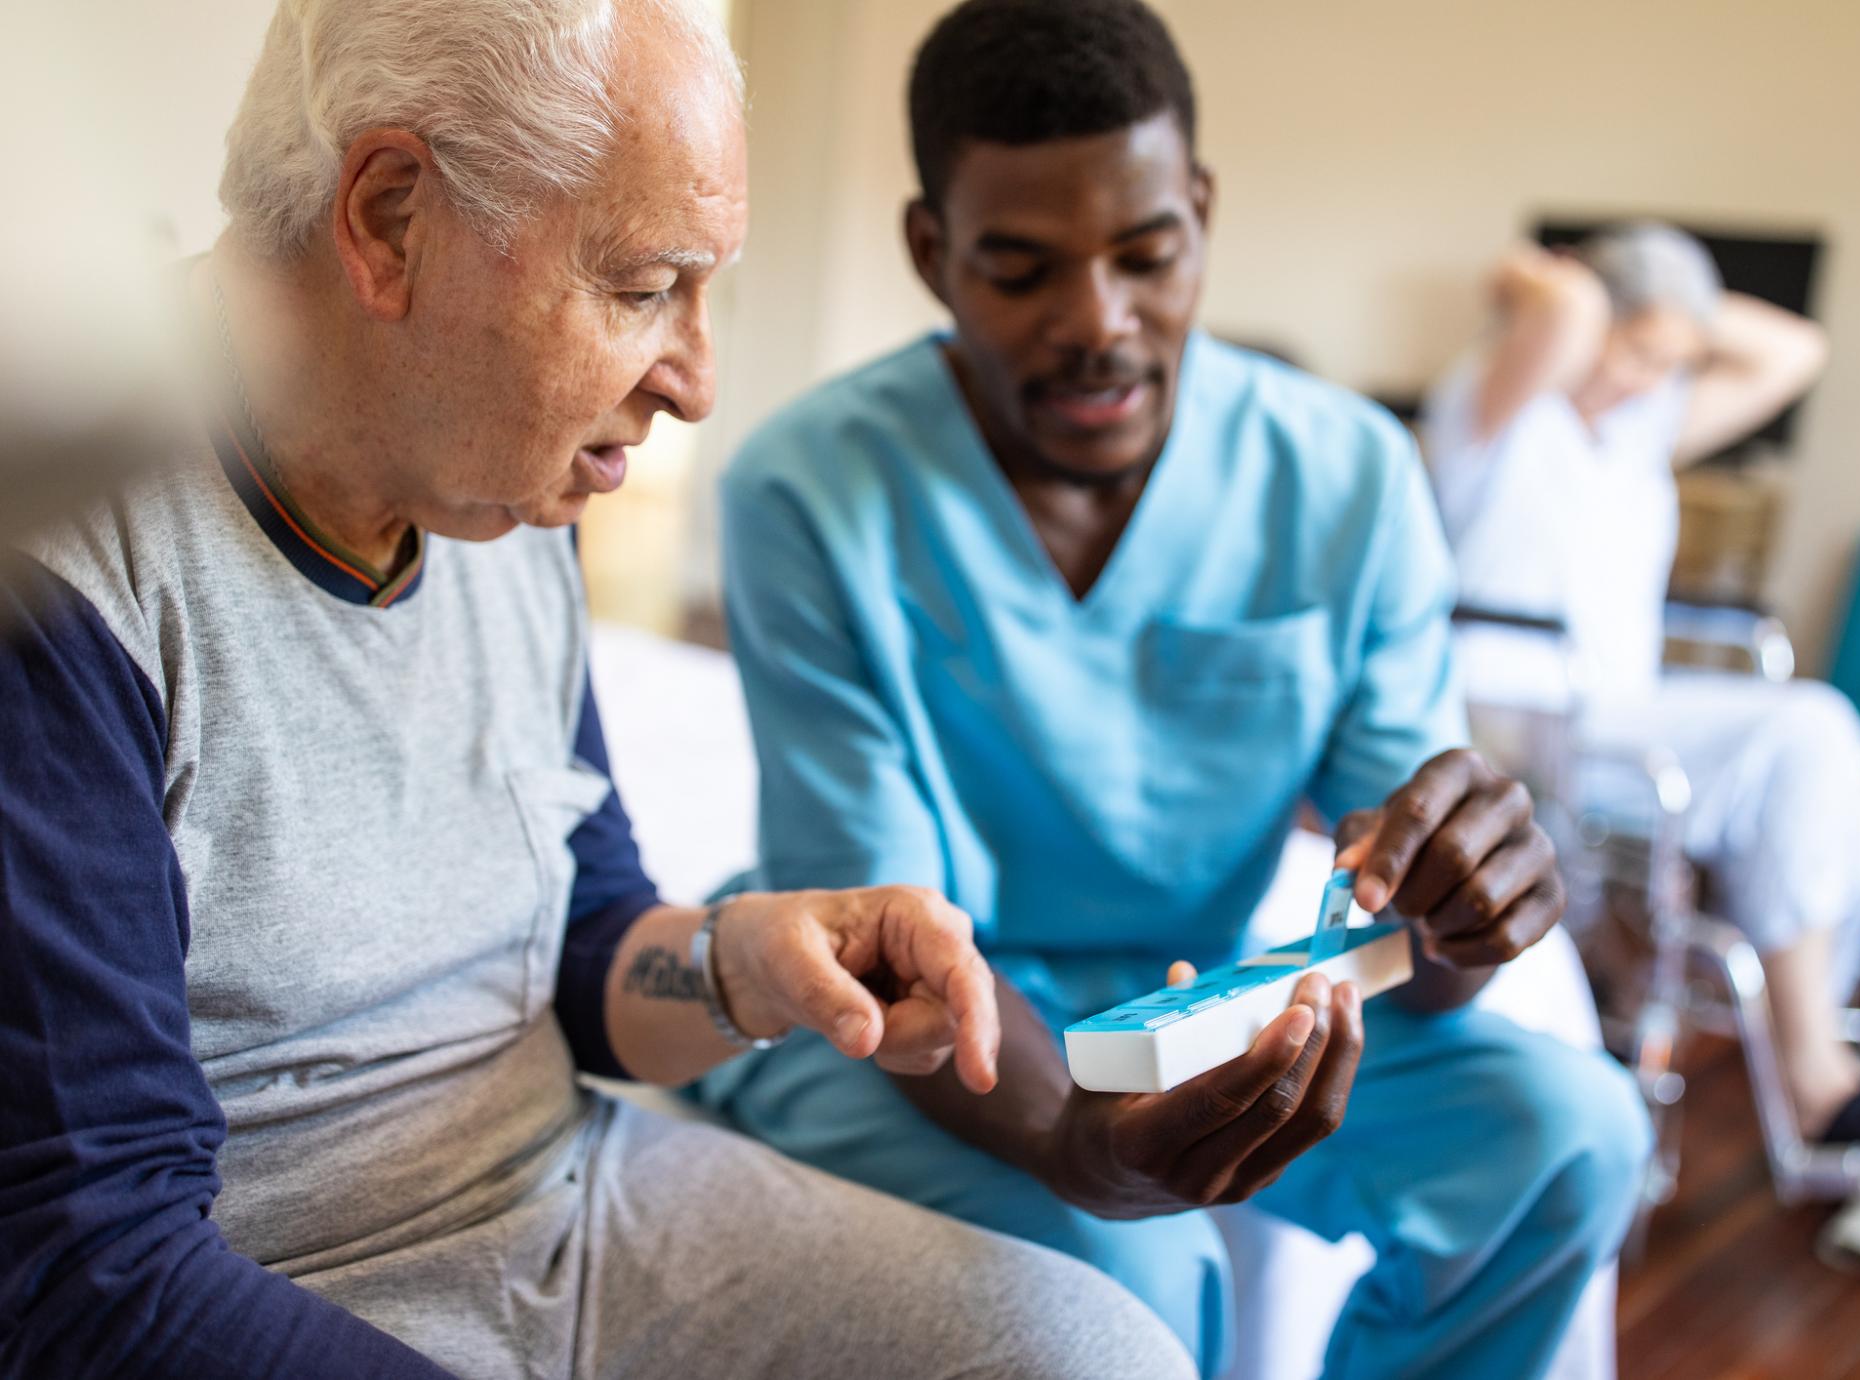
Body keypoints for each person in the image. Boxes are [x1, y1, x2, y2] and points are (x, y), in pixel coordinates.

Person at [0, 2, 1200, 1376]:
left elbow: (584, 946)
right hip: (265, 1297)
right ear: (392, 219)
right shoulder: (66, 576)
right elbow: (91, 1273)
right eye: (644, 287)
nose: (696, 382)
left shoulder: (493, 489)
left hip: (569, 1207)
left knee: (1103, 1356)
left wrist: (753, 960)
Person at [696, 2, 1654, 1376]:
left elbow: (1406, 952)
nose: (1100, 324)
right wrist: (1075, 1147)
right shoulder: (808, 492)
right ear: (932, 254)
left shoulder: (1346, 479)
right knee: (1130, 1273)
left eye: (1146, 256)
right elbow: (879, 955)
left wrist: (1463, 919)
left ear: (1200, 213)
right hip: (892, 1033)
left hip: (1181, 1004)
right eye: (1022, 270)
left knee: (1572, 1135)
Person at [1421, 226, 1860, 1164]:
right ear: (1594, 317)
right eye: (1639, 350)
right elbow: (1563, 311)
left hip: (1620, 713)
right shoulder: (1498, 407)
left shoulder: (1641, 431)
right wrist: (1562, 279)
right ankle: (1821, 1076)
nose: (1651, 379)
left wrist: (1672, 315)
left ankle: (1815, 1067)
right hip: (1526, 725)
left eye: (1672, 362)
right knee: (1812, 726)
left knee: (1852, 794)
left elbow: (1796, 350)